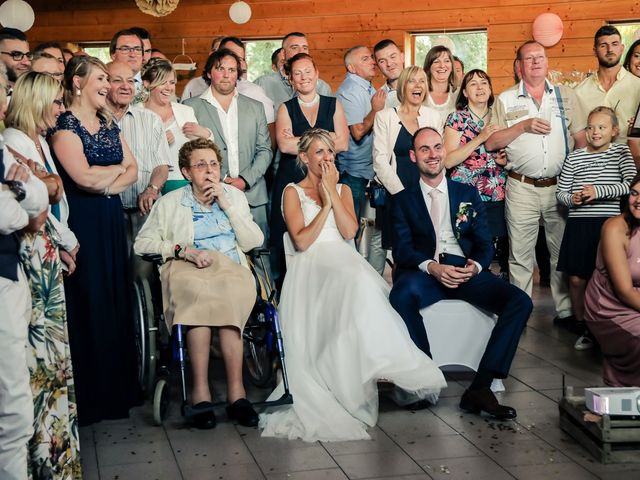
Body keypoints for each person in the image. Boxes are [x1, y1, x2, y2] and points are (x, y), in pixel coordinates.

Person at [260, 129, 446, 442]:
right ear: (304, 158)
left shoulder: (344, 189)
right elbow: (302, 240)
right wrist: (323, 203)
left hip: (343, 259)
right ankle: (347, 374)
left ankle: (381, 363)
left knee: (361, 280)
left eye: (330, 152)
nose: (326, 158)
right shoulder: (292, 191)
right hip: (311, 264)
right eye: (319, 152)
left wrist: (332, 192)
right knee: (353, 281)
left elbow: (348, 231)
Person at [390, 127, 532, 420]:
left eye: (437, 147)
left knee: (520, 302)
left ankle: (480, 387)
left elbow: (483, 243)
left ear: (444, 151)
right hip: (425, 272)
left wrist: (475, 267)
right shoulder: (403, 199)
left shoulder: (466, 193)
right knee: (401, 294)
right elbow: (402, 250)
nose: (433, 154)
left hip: (464, 270)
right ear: (413, 156)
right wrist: (432, 267)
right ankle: (423, 378)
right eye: (425, 149)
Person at [134, 138, 264, 429]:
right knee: (197, 299)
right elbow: (141, 243)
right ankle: (200, 394)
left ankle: (237, 395)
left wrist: (227, 205)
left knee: (230, 297)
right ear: (186, 172)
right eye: (200, 165)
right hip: (186, 266)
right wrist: (180, 250)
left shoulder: (234, 197)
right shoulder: (170, 203)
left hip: (229, 266)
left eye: (214, 164)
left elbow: (254, 241)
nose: (209, 171)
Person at [50, 56, 140, 426]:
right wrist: (112, 176)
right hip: (83, 223)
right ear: (77, 83)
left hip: (109, 216)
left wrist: (108, 180)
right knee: (89, 299)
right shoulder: (63, 126)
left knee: (115, 294)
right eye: (101, 79)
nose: (108, 85)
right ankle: (93, 395)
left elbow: (134, 171)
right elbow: (81, 178)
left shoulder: (107, 123)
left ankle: (119, 389)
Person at [4, 71, 82, 479]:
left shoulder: (38, 141)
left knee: (54, 353)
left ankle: (56, 451)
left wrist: (64, 237)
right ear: (35, 102)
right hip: (30, 252)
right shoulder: (15, 141)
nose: (61, 108)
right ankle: (39, 456)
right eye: (55, 102)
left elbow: (53, 194)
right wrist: (47, 187)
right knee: (40, 352)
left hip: (48, 244)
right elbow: (38, 200)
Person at [485, 40, 587, 326]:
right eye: (528, 58)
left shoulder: (566, 95)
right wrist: (522, 126)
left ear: (547, 61)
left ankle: (565, 311)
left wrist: (574, 177)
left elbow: (580, 139)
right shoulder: (505, 99)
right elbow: (492, 142)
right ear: (519, 66)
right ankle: (520, 311)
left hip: (559, 186)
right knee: (520, 255)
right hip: (521, 186)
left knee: (560, 252)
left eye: (540, 57)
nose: (535, 62)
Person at [0, 62, 49, 480]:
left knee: (14, 404)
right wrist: (21, 196)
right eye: (0, 90)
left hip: (8, 275)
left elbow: (37, 195)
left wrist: (20, 190)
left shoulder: (2, 146)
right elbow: (14, 215)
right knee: (11, 402)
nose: (5, 102)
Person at [556, 106, 636, 350]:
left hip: (608, 225)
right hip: (579, 223)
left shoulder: (621, 152)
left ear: (614, 130)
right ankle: (584, 326)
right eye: (590, 127)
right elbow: (561, 192)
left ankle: (607, 325)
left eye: (601, 127)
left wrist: (598, 192)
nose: (595, 132)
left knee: (605, 276)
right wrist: (574, 199)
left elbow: (630, 184)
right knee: (577, 279)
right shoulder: (575, 157)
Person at [269, 52, 348, 285]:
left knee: (331, 229)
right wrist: (326, 138)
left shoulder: (333, 104)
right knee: (291, 238)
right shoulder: (285, 108)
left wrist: (299, 138)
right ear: (291, 79)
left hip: (327, 177)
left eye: (307, 72)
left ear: (317, 74)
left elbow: (343, 143)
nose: (303, 77)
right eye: (297, 73)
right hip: (291, 177)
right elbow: (284, 145)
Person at [184, 49, 272, 248]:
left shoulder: (255, 107)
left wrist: (245, 180)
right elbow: (189, 153)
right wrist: (221, 181)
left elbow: (265, 150)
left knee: (260, 255)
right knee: (218, 256)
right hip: (209, 194)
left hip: (253, 195)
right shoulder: (191, 107)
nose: (226, 75)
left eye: (232, 70)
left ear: (238, 75)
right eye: (220, 69)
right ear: (208, 73)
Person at [443, 69, 508, 278]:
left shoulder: (499, 116)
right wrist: (480, 138)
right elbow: (449, 160)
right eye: (473, 84)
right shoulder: (456, 119)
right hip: (465, 195)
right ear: (464, 92)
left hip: (495, 193)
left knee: (491, 246)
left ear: (490, 89)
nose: (479, 88)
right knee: (467, 245)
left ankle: (489, 288)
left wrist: (507, 159)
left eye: (484, 83)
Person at [372, 66, 441, 249]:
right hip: (397, 192)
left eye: (422, 81)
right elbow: (380, 161)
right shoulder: (384, 117)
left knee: (428, 248)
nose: (417, 85)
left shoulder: (434, 116)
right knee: (400, 252)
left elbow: (439, 156)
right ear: (403, 86)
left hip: (427, 192)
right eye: (412, 81)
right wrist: (402, 195)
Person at [105, 61, 171, 245]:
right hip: (107, 211)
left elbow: (162, 165)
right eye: (117, 81)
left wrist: (152, 189)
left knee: (143, 272)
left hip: (144, 213)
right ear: (104, 84)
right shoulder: (94, 121)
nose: (126, 86)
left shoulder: (151, 120)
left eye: (131, 81)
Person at [584, 173, 640, 387]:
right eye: (634, 193)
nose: (637, 201)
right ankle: (622, 394)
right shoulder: (615, 228)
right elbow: (624, 291)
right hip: (608, 304)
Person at [141, 58, 212, 193]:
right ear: (147, 84)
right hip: (146, 185)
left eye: (172, 82)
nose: (169, 88)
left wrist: (206, 134)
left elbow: (200, 150)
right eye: (162, 82)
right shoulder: (136, 113)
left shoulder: (185, 111)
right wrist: (157, 143)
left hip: (182, 183)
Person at [575, 26, 640, 162]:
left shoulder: (637, 86)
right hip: (592, 167)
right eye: (604, 45)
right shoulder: (579, 91)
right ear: (595, 51)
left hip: (630, 165)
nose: (610, 50)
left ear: (622, 48)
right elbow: (577, 135)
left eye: (614, 44)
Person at [336, 45, 386, 219]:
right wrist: (376, 110)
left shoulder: (367, 87)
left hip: (370, 168)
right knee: (351, 225)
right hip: (354, 172)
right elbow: (358, 132)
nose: (373, 62)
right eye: (365, 59)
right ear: (352, 68)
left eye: (371, 57)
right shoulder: (349, 91)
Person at [254, 32, 333, 111]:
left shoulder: (322, 87)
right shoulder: (262, 84)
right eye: (294, 48)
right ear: (283, 53)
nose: (301, 52)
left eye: (305, 48)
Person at [423, 45, 458, 125]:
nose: (442, 66)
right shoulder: (420, 94)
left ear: (452, 66)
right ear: (428, 67)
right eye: (436, 61)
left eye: (446, 61)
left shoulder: (459, 94)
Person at [109, 28, 144, 96]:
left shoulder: (155, 83)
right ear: (113, 55)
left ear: (142, 56)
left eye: (137, 49)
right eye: (125, 49)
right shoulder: (103, 83)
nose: (132, 55)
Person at [373, 39, 404, 109]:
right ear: (378, 66)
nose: (389, 64)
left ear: (402, 57)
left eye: (393, 57)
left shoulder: (423, 87)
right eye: (382, 61)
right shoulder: (377, 98)